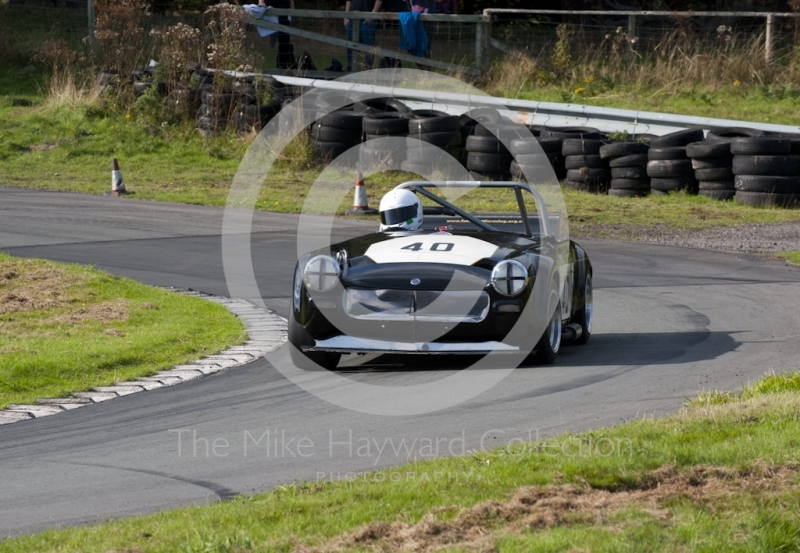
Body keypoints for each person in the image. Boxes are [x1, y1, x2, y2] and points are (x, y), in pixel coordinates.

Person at [344, 0, 383, 71]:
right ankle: (350, 72)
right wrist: (346, 16)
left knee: (368, 48)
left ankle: (367, 73)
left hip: (367, 20)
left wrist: (372, 15)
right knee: (350, 47)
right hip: (352, 19)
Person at [259, 0, 295, 69]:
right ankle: (288, 65)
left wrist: (292, 8)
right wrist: (261, 2)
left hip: (284, 12)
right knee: (283, 42)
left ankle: (283, 66)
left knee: (284, 41)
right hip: (270, 11)